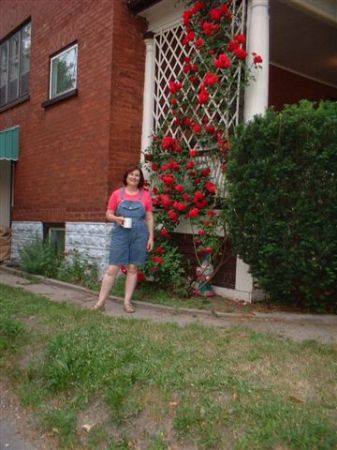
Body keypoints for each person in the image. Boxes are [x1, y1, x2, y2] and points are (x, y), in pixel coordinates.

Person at [94, 165, 154, 312]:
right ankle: (100, 303)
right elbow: (108, 214)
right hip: (120, 233)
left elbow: (150, 217)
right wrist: (116, 219)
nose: (134, 177)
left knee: (133, 269)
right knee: (112, 269)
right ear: (126, 177)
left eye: (137, 175)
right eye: (131, 175)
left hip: (139, 234)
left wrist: (151, 237)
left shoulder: (145, 195)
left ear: (140, 179)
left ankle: (127, 302)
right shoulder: (116, 194)